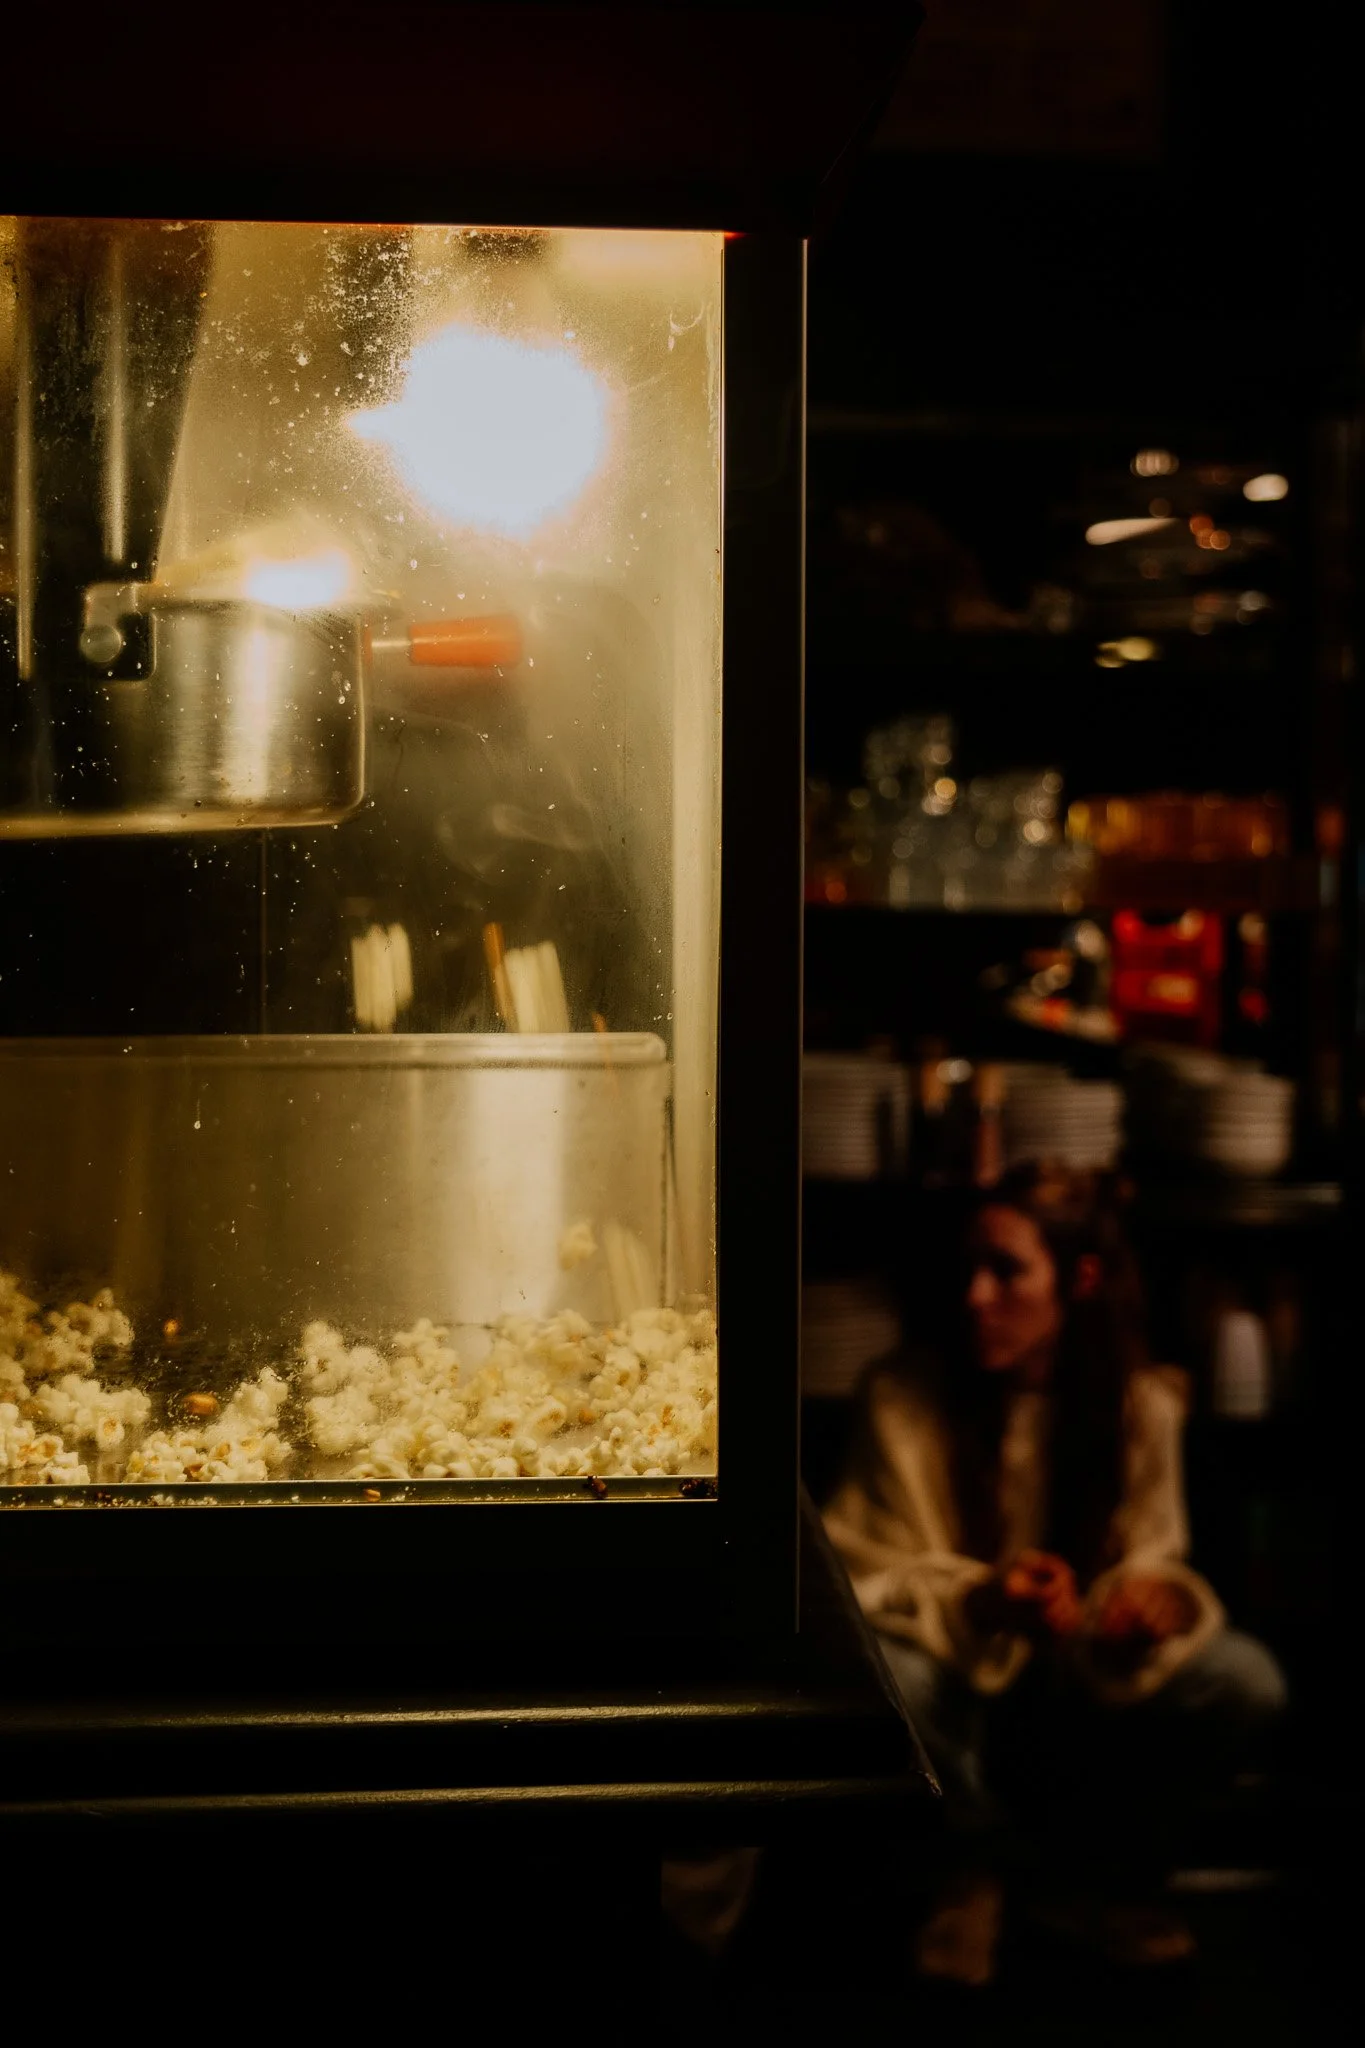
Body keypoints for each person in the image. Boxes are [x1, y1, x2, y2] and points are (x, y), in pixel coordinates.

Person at [824, 1162, 1286, 1986]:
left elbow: (1153, 1550)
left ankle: (1096, 1882)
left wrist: (1147, 1604)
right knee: (887, 1675)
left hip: (1084, 1682)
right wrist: (979, 1599)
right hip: (953, 1692)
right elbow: (859, 1576)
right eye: (969, 1267)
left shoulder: (1140, 1404)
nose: (975, 1295)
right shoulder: (903, 1397)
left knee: (1243, 1679)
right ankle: (972, 1870)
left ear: (1079, 1279)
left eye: (1006, 1271)